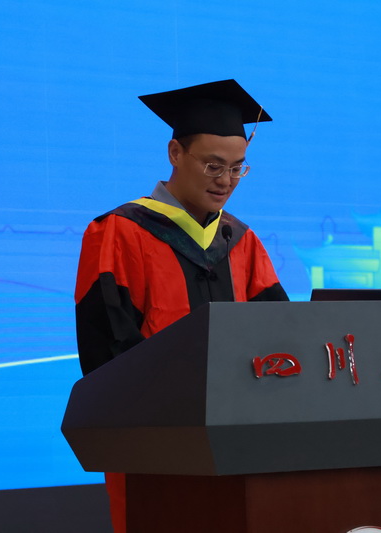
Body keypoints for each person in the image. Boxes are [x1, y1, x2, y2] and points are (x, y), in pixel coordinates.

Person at [73, 79, 289, 533]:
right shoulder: (119, 232)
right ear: (175, 152)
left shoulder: (242, 242)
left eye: (237, 168)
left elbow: (281, 338)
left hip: (239, 445)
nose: (225, 181)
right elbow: (107, 353)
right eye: (213, 165)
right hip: (153, 446)